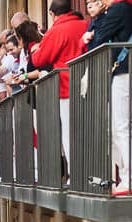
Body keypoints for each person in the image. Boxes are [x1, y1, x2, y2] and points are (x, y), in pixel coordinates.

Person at [87, 0, 132, 195]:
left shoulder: (118, 9)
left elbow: (99, 39)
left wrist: (91, 31)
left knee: (121, 127)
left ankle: (131, 180)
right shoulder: (130, 8)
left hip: (125, 73)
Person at [30, 0, 88, 174]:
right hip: (88, 82)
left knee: (69, 133)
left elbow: (39, 60)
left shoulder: (56, 30)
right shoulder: (85, 24)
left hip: (66, 86)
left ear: (53, 14)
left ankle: (76, 174)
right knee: (90, 129)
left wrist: (35, 48)